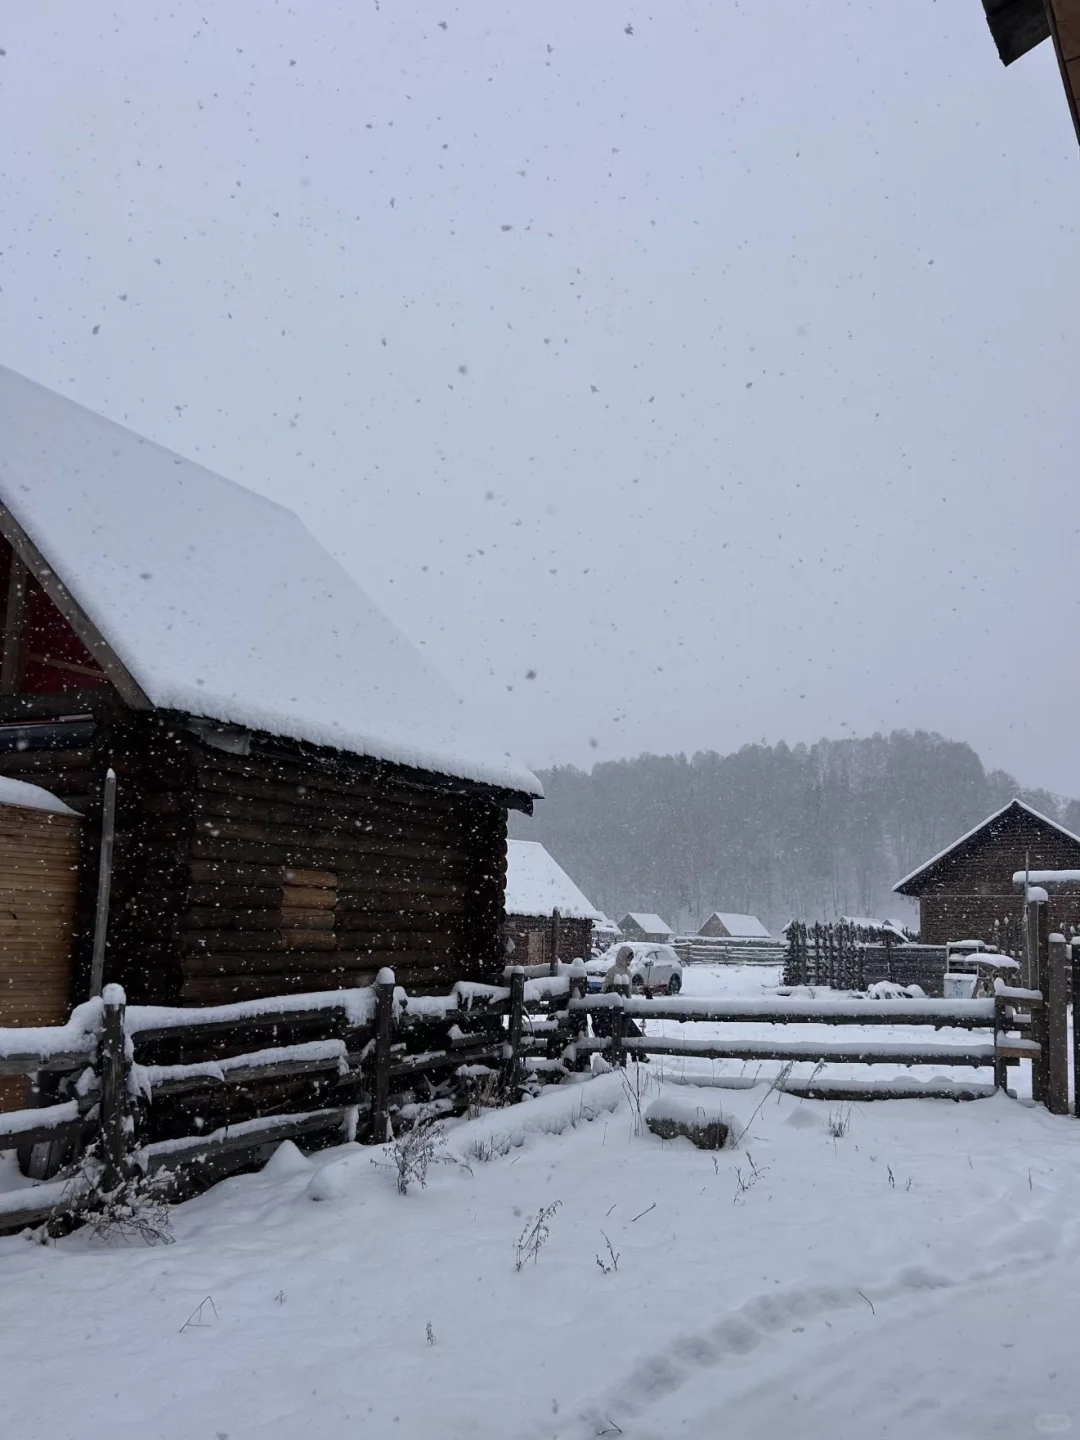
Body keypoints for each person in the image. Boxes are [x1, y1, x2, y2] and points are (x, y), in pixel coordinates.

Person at [592, 946, 647, 1057]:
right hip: (613, 1011)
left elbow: (628, 988)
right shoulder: (613, 971)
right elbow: (605, 988)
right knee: (628, 1034)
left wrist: (639, 989)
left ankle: (637, 1056)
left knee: (630, 1034)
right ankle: (638, 1056)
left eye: (631, 959)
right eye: (627, 958)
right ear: (622, 957)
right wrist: (613, 989)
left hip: (626, 1008)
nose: (629, 961)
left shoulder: (628, 973)